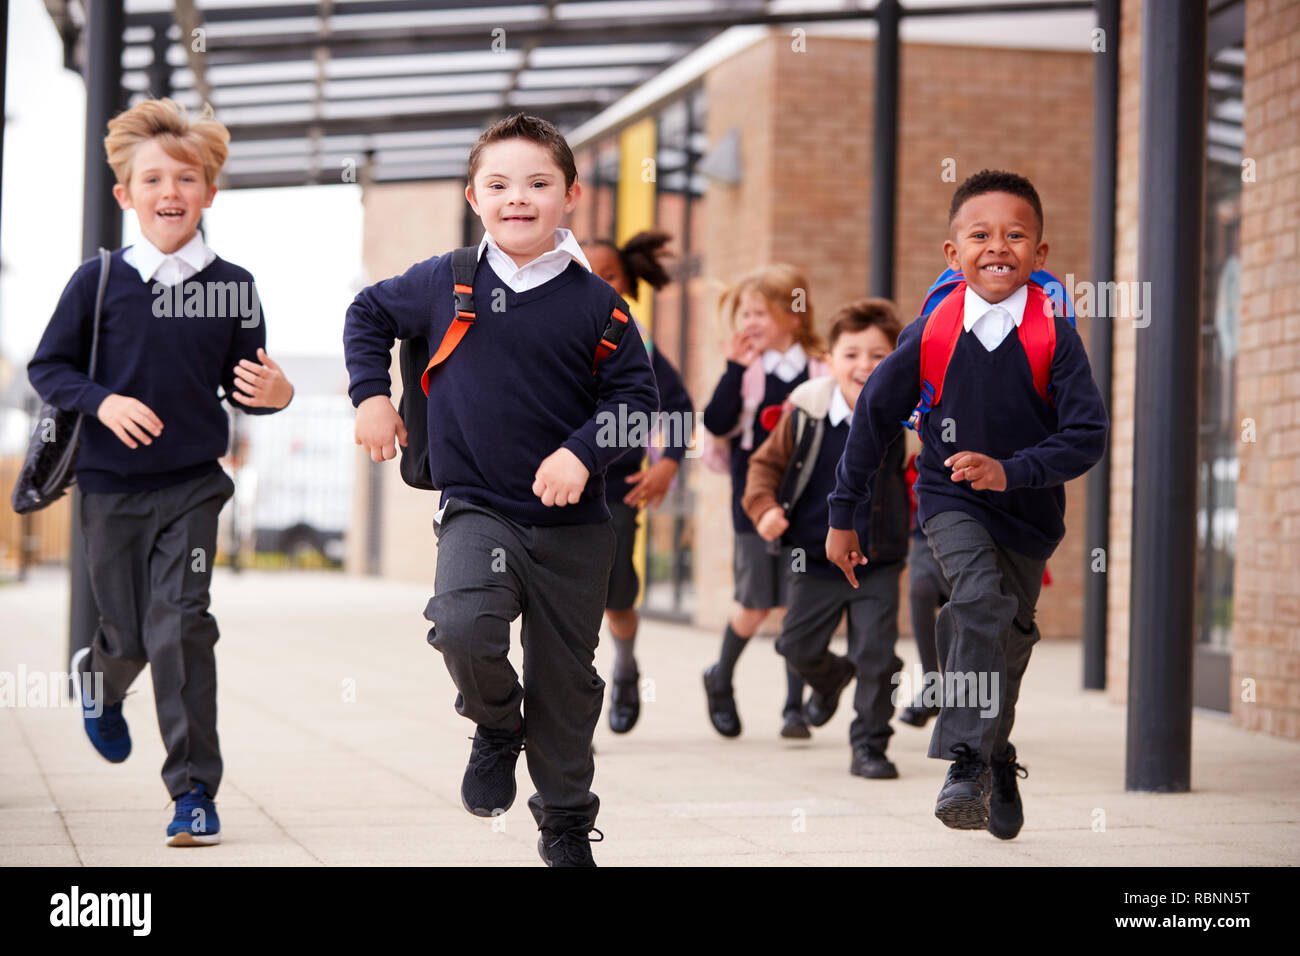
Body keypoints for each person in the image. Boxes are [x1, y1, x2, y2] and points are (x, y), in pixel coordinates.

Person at [344, 113, 658, 867]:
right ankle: (494, 722)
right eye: (500, 184)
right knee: (461, 626)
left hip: (575, 529)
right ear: (474, 196)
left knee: (565, 684)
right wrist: (369, 396)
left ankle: (566, 825)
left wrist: (584, 455)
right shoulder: (446, 279)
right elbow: (367, 312)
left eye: (538, 184)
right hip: (477, 509)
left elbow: (637, 404)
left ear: (571, 194)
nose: (519, 198)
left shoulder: (601, 306)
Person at [28, 98, 295, 846]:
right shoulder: (100, 281)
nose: (170, 190)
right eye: (153, 179)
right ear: (127, 195)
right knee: (130, 636)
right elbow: (47, 368)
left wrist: (279, 395)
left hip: (192, 487)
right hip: (111, 490)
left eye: (187, 176)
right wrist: (104, 402)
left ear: (210, 191)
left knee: (182, 628)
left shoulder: (234, 285)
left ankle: (193, 793)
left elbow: (254, 382)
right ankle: (102, 676)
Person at [826, 169, 1108, 839]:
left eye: (1016, 235)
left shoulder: (1054, 337)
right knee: (976, 601)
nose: (997, 246)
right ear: (952, 253)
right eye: (980, 234)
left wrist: (1010, 472)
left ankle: (996, 754)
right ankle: (963, 761)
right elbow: (872, 419)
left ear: (1040, 255)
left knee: (1005, 643)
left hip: (1029, 513)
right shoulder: (931, 332)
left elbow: (1086, 438)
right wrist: (843, 514)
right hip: (949, 497)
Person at [743, 299, 909, 777]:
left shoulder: (908, 414)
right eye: (852, 354)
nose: (864, 365)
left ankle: (870, 746)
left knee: (875, 655)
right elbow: (763, 467)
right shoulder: (806, 409)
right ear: (830, 357)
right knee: (795, 646)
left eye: (879, 355)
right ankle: (833, 677)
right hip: (812, 558)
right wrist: (765, 509)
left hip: (877, 559)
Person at [701, 264, 826, 740]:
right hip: (753, 502)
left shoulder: (821, 368)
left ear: (794, 316)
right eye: (745, 313)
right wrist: (732, 369)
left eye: (760, 313)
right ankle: (720, 677)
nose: (749, 322)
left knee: (799, 604)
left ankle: (793, 708)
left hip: (807, 505)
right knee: (755, 604)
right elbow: (717, 421)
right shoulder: (747, 370)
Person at [582, 231, 694, 734]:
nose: (597, 284)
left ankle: (624, 665)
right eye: (586, 272)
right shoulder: (543, 330)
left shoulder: (636, 343)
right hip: (548, 486)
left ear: (627, 286)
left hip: (617, 487)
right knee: (565, 600)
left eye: (609, 276)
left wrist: (669, 463)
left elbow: (680, 406)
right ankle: (574, 713)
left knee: (615, 595)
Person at [897, 452, 949, 728]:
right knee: (920, 591)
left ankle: (964, 696)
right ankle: (932, 686)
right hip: (924, 535)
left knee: (964, 615)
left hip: (972, 532)